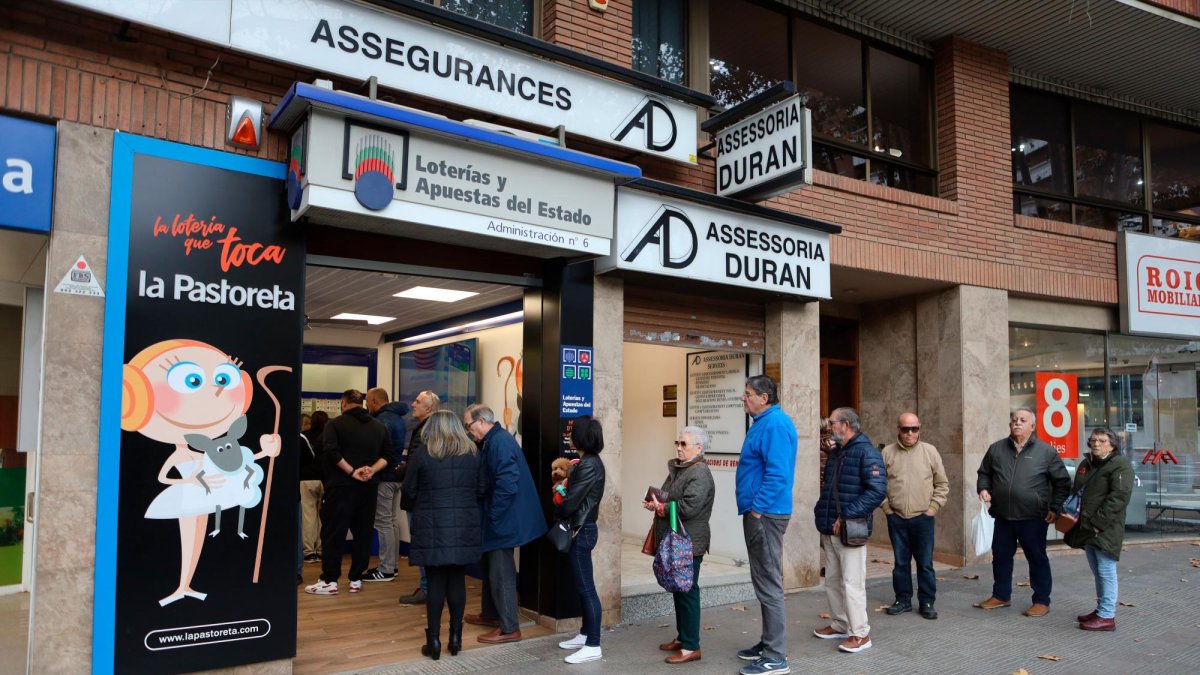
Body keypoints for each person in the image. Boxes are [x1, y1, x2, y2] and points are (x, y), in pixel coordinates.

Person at [975, 406, 1071, 617]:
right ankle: (1001, 595)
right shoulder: (996, 449)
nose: (1017, 422)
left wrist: (1055, 508)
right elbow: (984, 473)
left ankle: (1041, 601)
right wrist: (983, 488)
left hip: (1033, 517)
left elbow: (1063, 482)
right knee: (1000, 557)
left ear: (1032, 426)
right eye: (1014, 419)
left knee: (1037, 558)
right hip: (1003, 515)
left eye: (1023, 420)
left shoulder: (1046, 452)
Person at [401, 410, 481, 660]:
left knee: (435, 582)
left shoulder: (423, 454)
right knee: (457, 579)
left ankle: (433, 641)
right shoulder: (472, 454)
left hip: (431, 527)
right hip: (464, 526)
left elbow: (408, 491)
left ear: (431, 429)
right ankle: (455, 638)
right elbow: (482, 488)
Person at [463, 404, 546, 643]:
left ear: (481, 421)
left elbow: (507, 484)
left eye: (469, 425)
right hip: (499, 517)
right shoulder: (493, 440)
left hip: (503, 519)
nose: (468, 431)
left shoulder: (499, 442)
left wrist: (493, 516)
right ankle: (491, 615)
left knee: (501, 571)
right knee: (490, 565)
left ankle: (509, 628)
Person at [732, 375, 797, 675]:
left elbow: (778, 474)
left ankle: (776, 657)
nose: (743, 398)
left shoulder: (775, 425)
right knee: (763, 579)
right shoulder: (764, 423)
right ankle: (768, 642)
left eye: (747, 394)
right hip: (762, 513)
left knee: (769, 582)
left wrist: (757, 510)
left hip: (766, 515)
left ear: (764, 398)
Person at [305, 390, 394, 596]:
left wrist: (352, 471)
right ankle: (356, 579)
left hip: (340, 486)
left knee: (333, 533)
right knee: (363, 533)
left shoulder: (334, 424)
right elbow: (389, 455)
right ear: (362, 403)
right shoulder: (378, 426)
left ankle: (330, 580)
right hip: (369, 486)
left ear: (343, 403)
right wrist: (371, 470)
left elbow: (331, 451)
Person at [813, 407, 887, 654]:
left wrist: (846, 515)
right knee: (833, 581)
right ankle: (840, 624)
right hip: (830, 528)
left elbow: (877, 491)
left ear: (845, 425)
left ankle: (860, 634)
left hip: (850, 529)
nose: (828, 426)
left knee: (852, 583)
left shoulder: (867, 452)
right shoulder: (837, 452)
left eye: (831, 422)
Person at [644, 426, 715, 665]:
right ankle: (683, 637)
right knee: (679, 589)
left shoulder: (699, 472)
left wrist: (663, 508)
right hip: (678, 540)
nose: (678, 448)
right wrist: (656, 502)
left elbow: (689, 507)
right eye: (678, 443)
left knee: (687, 591)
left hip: (689, 542)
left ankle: (691, 647)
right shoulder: (681, 468)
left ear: (699, 448)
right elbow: (670, 497)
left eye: (684, 444)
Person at [881, 412, 949, 620]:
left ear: (920, 428)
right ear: (898, 430)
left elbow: (942, 484)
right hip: (897, 518)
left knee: (925, 563)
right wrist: (887, 509)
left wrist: (932, 509)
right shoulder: (887, 452)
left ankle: (927, 601)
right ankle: (902, 600)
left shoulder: (930, 451)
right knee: (901, 563)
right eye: (905, 429)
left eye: (914, 429)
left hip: (923, 518)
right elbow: (878, 485)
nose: (910, 433)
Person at [1065, 427, 1134, 631]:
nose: (1096, 444)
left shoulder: (1120, 465)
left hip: (1105, 528)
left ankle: (1107, 616)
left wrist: (1097, 524)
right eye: (1093, 440)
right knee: (1098, 571)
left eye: (1102, 440)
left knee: (1106, 571)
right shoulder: (1087, 463)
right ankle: (1101, 609)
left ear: (1112, 445)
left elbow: (1118, 498)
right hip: (1086, 526)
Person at [556, 415, 606, 665]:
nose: (569, 436)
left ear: (580, 437)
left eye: (572, 432)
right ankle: (586, 634)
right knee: (582, 585)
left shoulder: (588, 465)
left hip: (581, 529)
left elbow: (571, 502)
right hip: (583, 528)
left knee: (586, 588)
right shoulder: (589, 462)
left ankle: (593, 644)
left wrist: (560, 505)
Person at [364, 388, 411, 583]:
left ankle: (386, 569)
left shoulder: (381, 420)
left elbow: (379, 450)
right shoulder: (398, 418)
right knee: (391, 521)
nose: (366, 405)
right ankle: (392, 565)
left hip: (385, 476)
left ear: (374, 401)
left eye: (367, 401)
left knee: (383, 522)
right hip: (397, 476)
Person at [399, 390, 439, 605]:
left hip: (419, 498)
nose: (413, 404)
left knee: (421, 543)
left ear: (429, 408)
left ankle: (426, 588)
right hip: (426, 497)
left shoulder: (426, 430)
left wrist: (399, 472)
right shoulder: (431, 428)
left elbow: (418, 466)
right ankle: (429, 587)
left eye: (417, 401)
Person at [299, 410, 328, 564]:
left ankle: (310, 551)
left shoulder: (303, 437)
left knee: (308, 516)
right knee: (323, 516)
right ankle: (322, 548)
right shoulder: (329, 436)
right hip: (325, 480)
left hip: (306, 479)